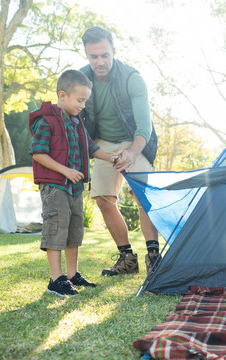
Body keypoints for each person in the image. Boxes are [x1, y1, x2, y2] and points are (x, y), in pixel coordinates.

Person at [79, 26, 161, 276]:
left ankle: (154, 258)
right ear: (86, 54)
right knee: (102, 199)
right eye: (94, 56)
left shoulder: (131, 77)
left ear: (114, 50)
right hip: (102, 143)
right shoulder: (80, 79)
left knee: (144, 197)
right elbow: (78, 126)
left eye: (105, 55)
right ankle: (127, 259)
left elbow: (144, 126)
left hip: (133, 141)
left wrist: (133, 153)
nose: (100, 62)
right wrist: (98, 152)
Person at [29, 69, 113, 296]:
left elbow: (91, 148)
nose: (83, 105)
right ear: (63, 95)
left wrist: (112, 157)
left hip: (74, 188)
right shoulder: (46, 122)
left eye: (85, 101)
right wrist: (66, 171)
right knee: (57, 229)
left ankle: (72, 274)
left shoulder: (77, 123)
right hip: (55, 187)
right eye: (80, 100)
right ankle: (56, 280)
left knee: (74, 231)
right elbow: (38, 153)